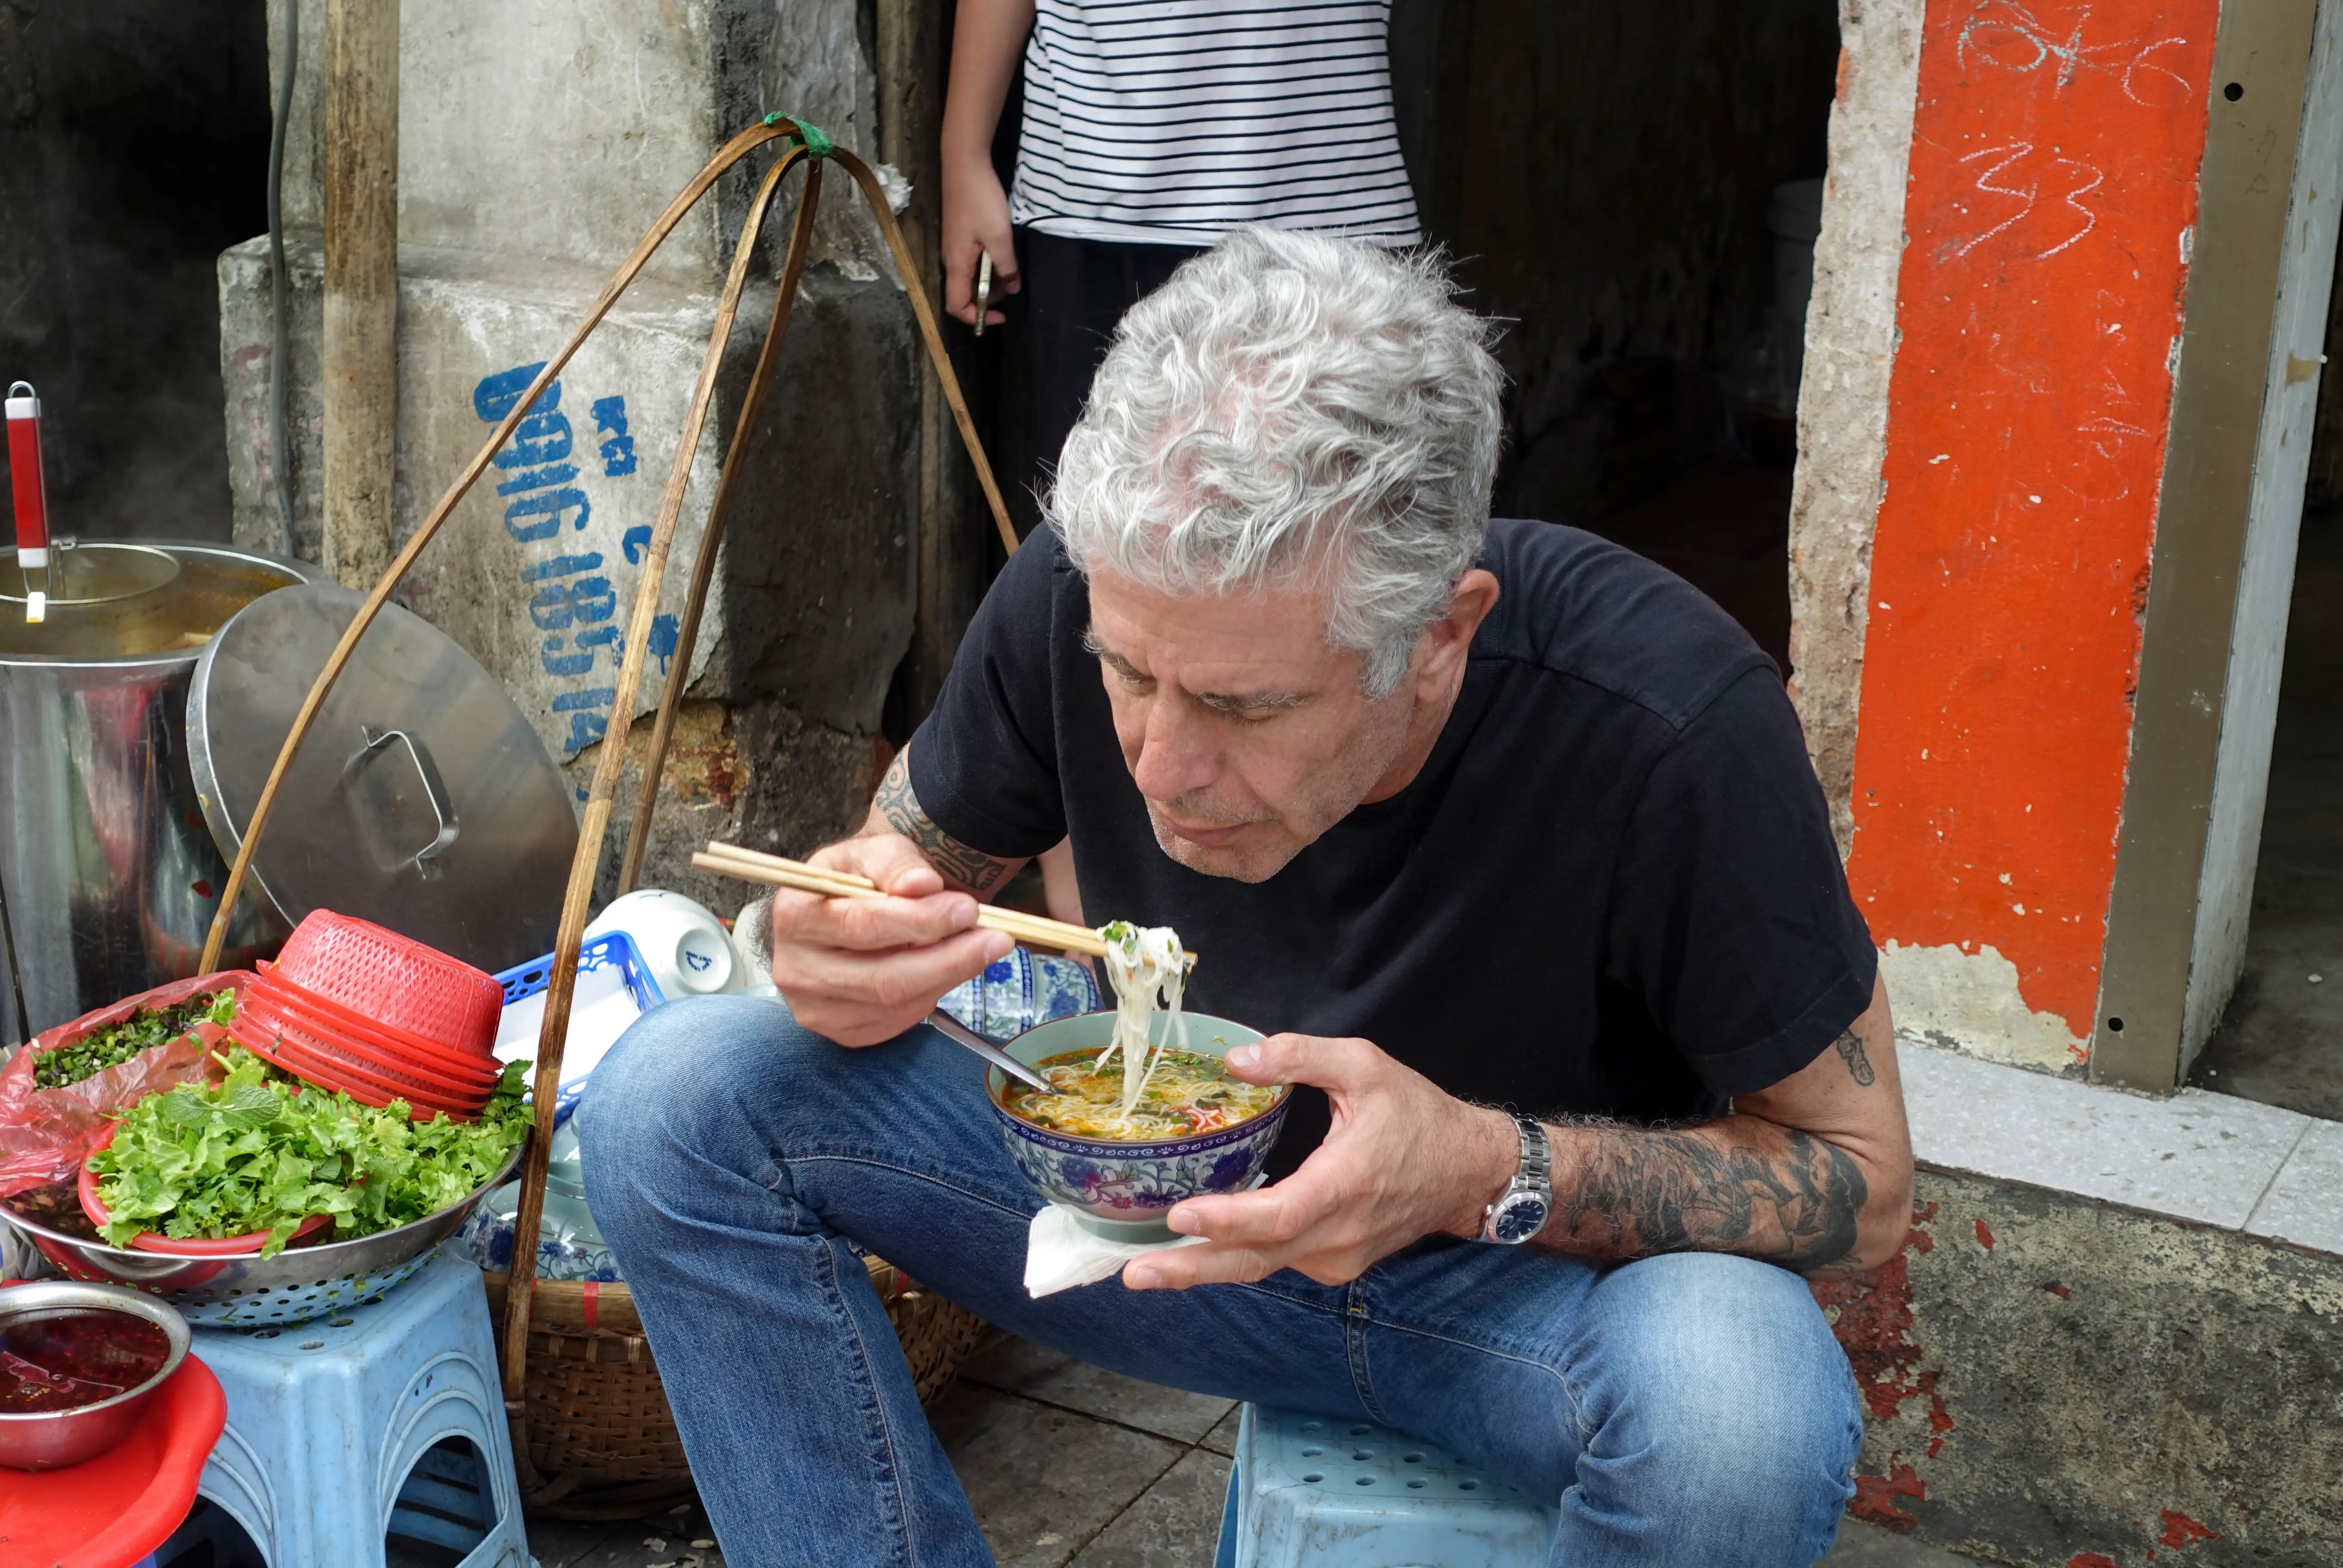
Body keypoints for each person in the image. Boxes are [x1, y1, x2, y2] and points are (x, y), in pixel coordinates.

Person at [579, 229, 1913, 1568]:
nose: (1163, 765)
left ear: (1440, 636)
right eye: (1131, 677)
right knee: (682, 1098)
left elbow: (1861, 1182)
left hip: (1523, 1299)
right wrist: (835, 935)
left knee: (1740, 1414)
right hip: (1173, 1222)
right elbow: (889, 869)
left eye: (1247, 705)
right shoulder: (1095, 584)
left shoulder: (1669, 718)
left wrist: (1476, 1166)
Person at [940, 0, 1420, 482]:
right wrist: (964, 153)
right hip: (1102, 197)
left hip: (1332, 204)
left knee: (1345, 519)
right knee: (1109, 522)